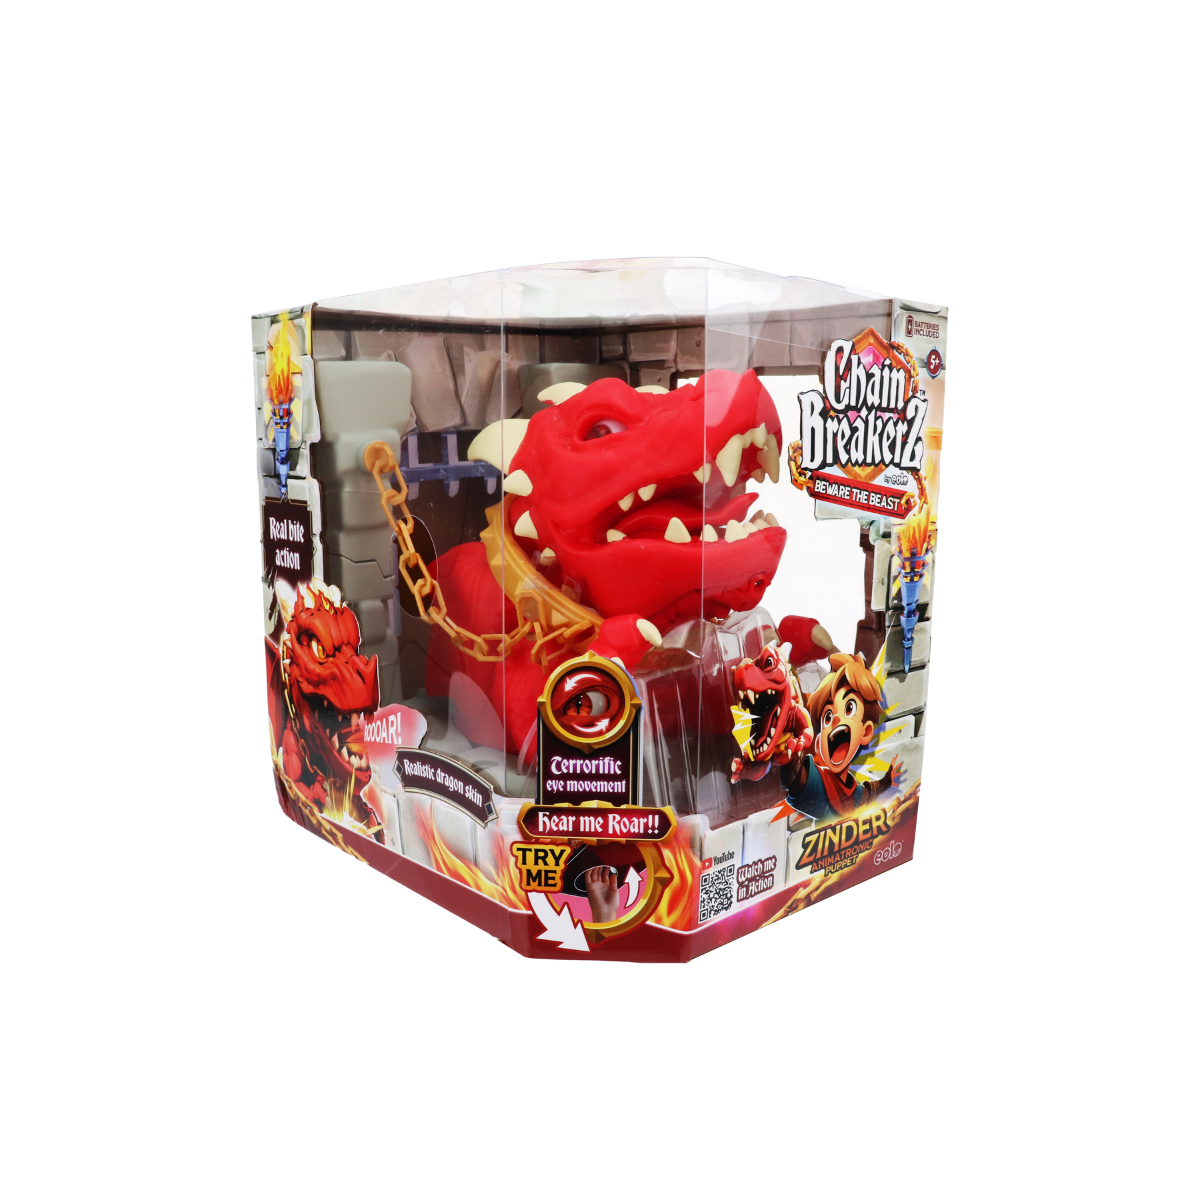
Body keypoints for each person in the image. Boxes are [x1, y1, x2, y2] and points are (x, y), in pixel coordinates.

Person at [780, 652, 900, 822]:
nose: (836, 719)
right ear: (819, 744)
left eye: (849, 708)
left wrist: (888, 780)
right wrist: (785, 743)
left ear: (866, 732)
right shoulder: (820, 785)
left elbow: (869, 791)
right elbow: (795, 779)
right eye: (828, 717)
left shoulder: (853, 790)